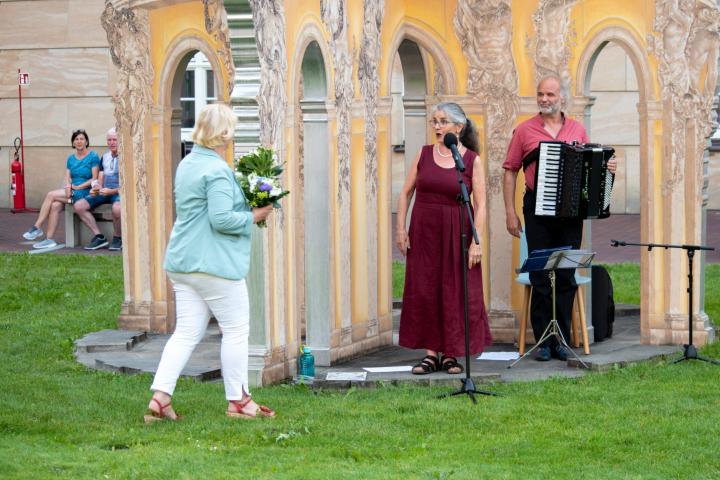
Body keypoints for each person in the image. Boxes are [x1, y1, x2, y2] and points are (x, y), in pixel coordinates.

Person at [144, 103, 274, 423]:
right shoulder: (216, 169)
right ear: (224, 133)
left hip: (182, 260)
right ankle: (239, 401)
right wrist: (256, 214)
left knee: (187, 331)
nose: (232, 135)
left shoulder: (188, 163)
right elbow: (221, 219)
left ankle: (160, 398)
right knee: (236, 330)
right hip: (212, 263)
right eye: (230, 129)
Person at [502, 74, 617, 361]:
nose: (544, 99)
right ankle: (543, 341)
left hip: (570, 214)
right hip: (537, 212)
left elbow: (592, 172)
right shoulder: (524, 131)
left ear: (562, 98)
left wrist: (608, 168)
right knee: (541, 276)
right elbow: (509, 170)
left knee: (565, 276)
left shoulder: (577, 130)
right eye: (540, 94)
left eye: (550, 95)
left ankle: (562, 339)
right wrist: (510, 212)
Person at [396, 102, 492, 375]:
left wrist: (476, 242)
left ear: (458, 128)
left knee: (454, 289)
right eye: (434, 121)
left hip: (457, 232)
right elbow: (405, 193)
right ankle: (430, 354)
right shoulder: (424, 154)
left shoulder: (472, 159)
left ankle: (450, 353)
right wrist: (400, 229)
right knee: (425, 288)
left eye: (442, 121)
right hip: (424, 232)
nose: (437, 126)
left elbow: (481, 203)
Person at [22, 129, 100, 249]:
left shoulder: (93, 156)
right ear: (73, 142)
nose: (79, 141)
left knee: (50, 195)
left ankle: (37, 227)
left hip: (85, 192)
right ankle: (49, 239)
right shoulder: (70, 159)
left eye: (81, 139)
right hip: (71, 190)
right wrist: (68, 186)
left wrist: (78, 186)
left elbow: (94, 179)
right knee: (55, 205)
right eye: (76, 139)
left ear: (86, 141)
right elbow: (67, 177)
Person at [73, 128, 122, 251]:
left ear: (120, 140)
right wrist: (96, 187)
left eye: (114, 140)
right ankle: (99, 237)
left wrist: (111, 191)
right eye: (109, 140)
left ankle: (118, 238)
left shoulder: (126, 158)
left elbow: (128, 185)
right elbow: (100, 178)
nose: (112, 143)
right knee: (79, 206)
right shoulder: (105, 157)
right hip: (104, 192)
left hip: (120, 192)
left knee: (116, 209)